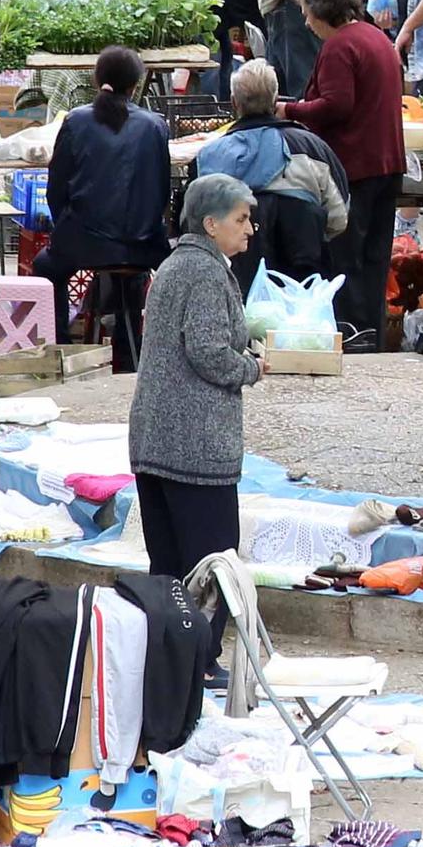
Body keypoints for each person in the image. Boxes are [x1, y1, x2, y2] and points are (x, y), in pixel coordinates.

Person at [130, 174, 265, 582]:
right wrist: (252, 369)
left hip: (156, 441)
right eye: (240, 219)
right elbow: (208, 352)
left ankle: (170, 647)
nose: (249, 229)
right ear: (211, 224)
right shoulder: (205, 272)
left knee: (168, 575)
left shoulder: (173, 265)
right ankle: (200, 648)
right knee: (211, 574)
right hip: (194, 448)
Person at [285, 0, 406, 349]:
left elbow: (337, 105)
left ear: (323, 12)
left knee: (347, 257)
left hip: (355, 167)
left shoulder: (340, 46)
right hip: (388, 165)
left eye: (307, 14)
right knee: (375, 258)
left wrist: (288, 109)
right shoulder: (376, 37)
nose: (306, 23)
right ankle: (373, 334)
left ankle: (353, 334)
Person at [43, 47, 174, 371]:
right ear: (135, 85)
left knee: (48, 268)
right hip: (143, 245)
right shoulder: (155, 125)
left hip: (86, 241)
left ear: (97, 79)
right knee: (128, 272)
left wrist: (68, 227)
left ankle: (62, 347)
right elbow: (161, 193)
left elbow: (55, 188)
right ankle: (128, 353)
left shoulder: (76, 121)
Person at [194, 62, 341, 288]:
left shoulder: (209, 155)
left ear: (234, 103)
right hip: (302, 281)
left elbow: (197, 227)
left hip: (234, 283)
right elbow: (339, 218)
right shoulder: (311, 147)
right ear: (275, 101)